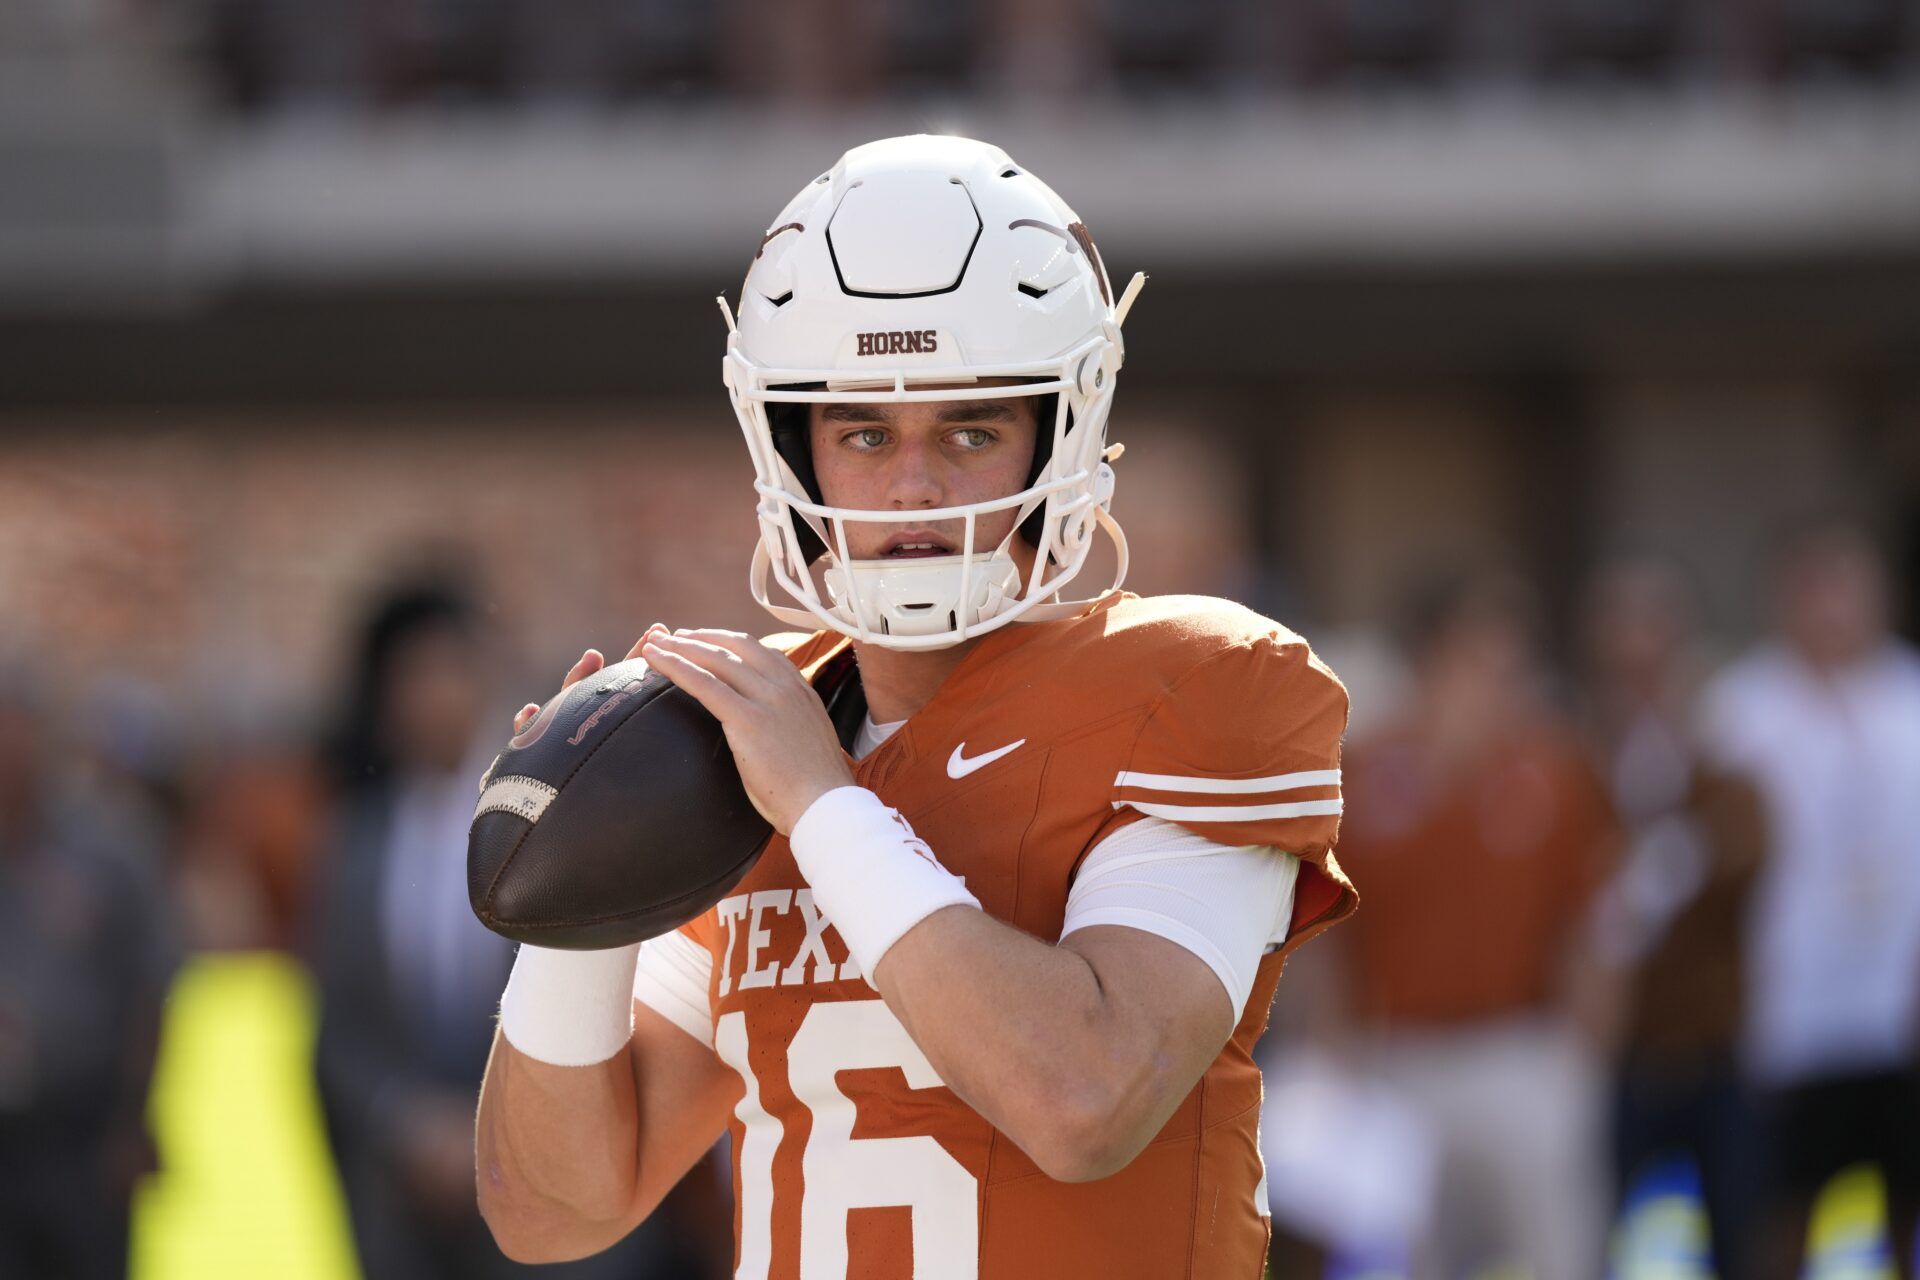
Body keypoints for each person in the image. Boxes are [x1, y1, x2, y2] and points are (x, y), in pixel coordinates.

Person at [473, 134, 1358, 1278]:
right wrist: (575, 902)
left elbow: (1085, 1095)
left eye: (971, 430)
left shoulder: (1196, 679)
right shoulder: (738, 731)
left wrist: (826, 806)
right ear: (794, 451)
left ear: (1064, 429)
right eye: (864, 432)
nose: (913, 486)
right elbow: (552, 1209)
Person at [313, 580, 703, 1279]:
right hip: (409, 1210)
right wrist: (404, 1121)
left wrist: (484, 1127)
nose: (434, 696)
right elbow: (340, 1027)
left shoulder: (550, 813)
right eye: (414, 678)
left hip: (554, 1181)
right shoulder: (357, 843)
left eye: (449, 672)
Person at [1324, 570, 1617, 1280]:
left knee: (1558, 1251)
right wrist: (1337, 1051)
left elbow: (1592, 923)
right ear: (1429, 658)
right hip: (1400, 1056)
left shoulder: (1553, 766)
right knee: (1412, 1257)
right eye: (1478, 652)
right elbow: (1327, 929)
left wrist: (1582, 1059)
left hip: (1521, 1051)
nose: (1498, 670)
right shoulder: (1360, 770)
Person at [1699, 518, 1920, 1280]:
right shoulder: (1739, 711)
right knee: (1783, 1209)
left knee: (1902, 1203)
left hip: (1898, 1000)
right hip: (1788, 1009)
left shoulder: (1909, 694)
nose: (1831, 610)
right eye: (1813, 591)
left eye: (1846, 589)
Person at [1578, 558, 1766, 1278]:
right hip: (1613, 1053)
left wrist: (1682, 846)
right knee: (1598, 1238)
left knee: (1738, 1236)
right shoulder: (1575, 757)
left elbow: (1747, 862)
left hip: (1715, 1043)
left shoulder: (1727, 755)